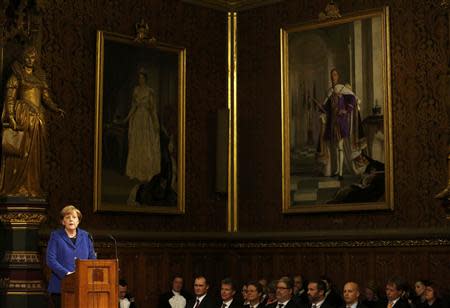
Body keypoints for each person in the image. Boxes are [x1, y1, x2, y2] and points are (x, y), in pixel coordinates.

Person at [0, 45, 64, 197]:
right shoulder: (17, 75)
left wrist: (55, 109)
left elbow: (46, 98)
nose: (30, 60)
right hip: (23, 116)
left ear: (36, 59)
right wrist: (11, 118)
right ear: (23, 58)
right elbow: (10, 99)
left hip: (38, 119)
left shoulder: (40, 76)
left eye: (33, 57)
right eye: (28, 57)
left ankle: (32, 185)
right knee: (21, 151)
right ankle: (17, 187)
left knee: (36, 153)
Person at [315, 68, 362, 180]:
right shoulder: (329, 92)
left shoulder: (342, 88)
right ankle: (337, 170)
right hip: (332, 123)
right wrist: (321, 108)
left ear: (338, 77)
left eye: (335, 75)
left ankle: (340, 173)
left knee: (340, 146)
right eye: (332, 75)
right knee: (336, 147)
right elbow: (326, 108)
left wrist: (346, 110)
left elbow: (352, 99)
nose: (333, 77)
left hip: (341, 122)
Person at [46, 205, 96, 308]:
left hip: (82, 286)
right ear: (63, 221)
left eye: (74, 217)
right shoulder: (56, 236)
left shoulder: (86, 236)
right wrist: (66, 273)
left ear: (78, 221)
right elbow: (50, 260)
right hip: (60, 286)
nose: (71, 220)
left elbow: (92, 259)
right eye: (67, 217)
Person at [123, 68, 160, 183]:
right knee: (137, 143)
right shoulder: (136, 90)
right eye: (139, 78)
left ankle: (146, 172)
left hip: (146, 120)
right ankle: (135, 171)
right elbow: (133, 107)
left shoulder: (150, 91)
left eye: (142, 78)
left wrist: (155, 123)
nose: (140, 80)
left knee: (146, 144)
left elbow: (153, 109)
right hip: (138, 119)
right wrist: (126, 118)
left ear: (146, 79)